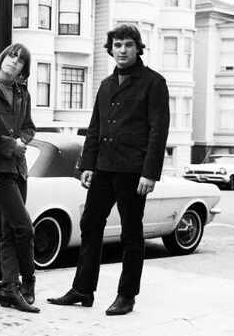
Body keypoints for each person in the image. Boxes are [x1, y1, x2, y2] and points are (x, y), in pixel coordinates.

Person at [47, 24, 169, 315]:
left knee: (130, 233)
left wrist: (149, 173)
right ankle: (82, 290)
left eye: (128, 44)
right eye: (117, 45)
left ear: (138, 48)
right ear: (110, 49)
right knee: (90, 225)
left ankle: (126, 296)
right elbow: (95, 128)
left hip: (133, 171)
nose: (123, 50)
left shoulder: (154, 83)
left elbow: (158, 130)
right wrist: (87, 165)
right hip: (103, 168)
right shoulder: (105, 84)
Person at [0, 43, 39, 313]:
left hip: (19, 167)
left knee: (10, 231)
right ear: (1, 58)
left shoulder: (22, 92)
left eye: (20, 61)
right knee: (24, 228)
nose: (14, 62)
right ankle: (27, 282)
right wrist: (9, 144)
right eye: (11, 56)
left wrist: (21, 140)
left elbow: (29, 126)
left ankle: (8, 289)